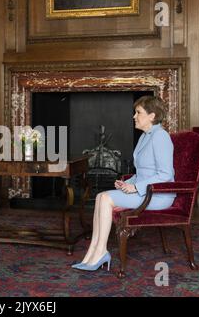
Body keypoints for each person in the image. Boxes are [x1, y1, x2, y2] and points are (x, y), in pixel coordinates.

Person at [72, 96, 176, 271]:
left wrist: (135, 187)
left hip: (158, 195)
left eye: (138, 112)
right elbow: (144, 172)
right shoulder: (145, 137)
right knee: (100, 197)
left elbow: (165, 174)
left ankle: (100, 252)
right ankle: (93, 252)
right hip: (146, 190)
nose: (134, 116)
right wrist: (128, 182)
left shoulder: (161, 137)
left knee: (105, 198)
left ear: (152, 115)